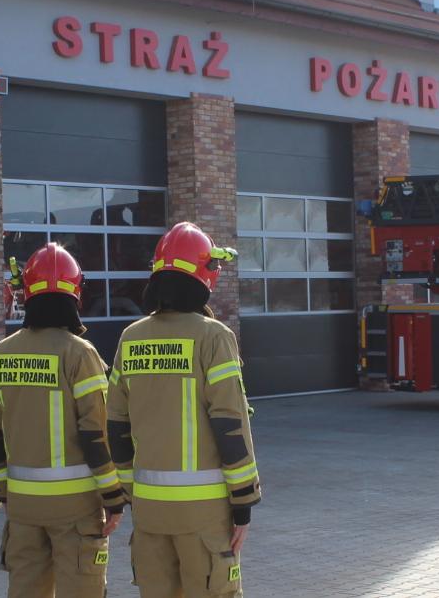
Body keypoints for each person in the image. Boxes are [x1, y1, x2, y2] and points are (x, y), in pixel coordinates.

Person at [107, 223, 260, 598]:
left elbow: (115, 425)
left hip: (149, 511)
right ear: (206, 273)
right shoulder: (214, 336)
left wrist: (130, 490)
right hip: (203, 513)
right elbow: (229, 424)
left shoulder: (131, 337)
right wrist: (243, 502)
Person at [0, 244, 126, 598]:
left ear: (26, 293)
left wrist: (3, 489)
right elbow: (96, 433)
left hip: (23, 506)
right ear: (75, 293)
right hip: (75, 507)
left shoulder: (1, 353)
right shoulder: (80, 352)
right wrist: (113, 497)